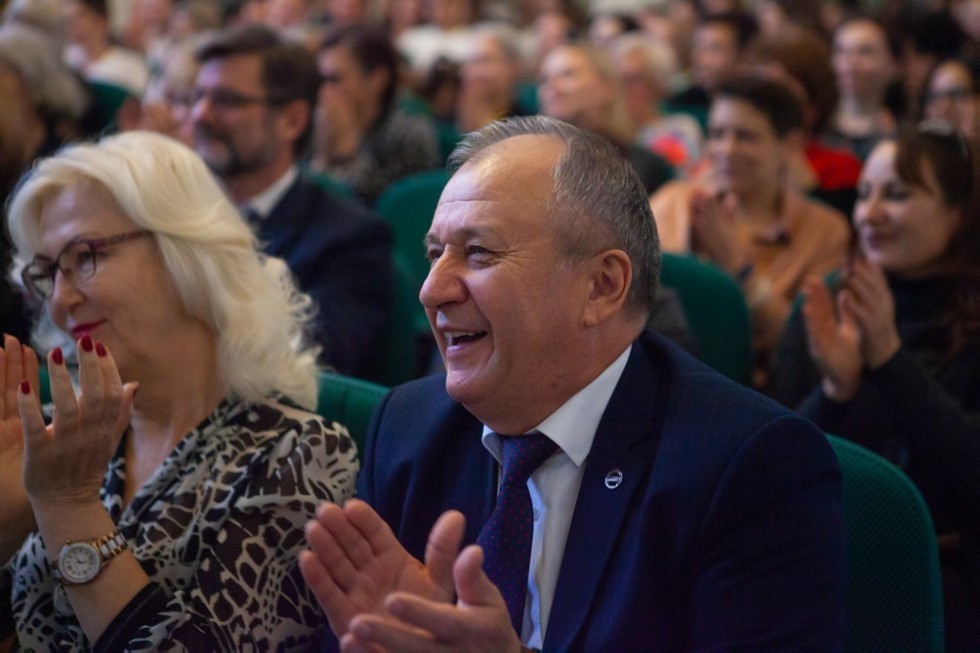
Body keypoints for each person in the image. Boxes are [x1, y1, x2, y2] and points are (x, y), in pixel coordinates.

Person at [299, 115, 846, 650]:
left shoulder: (748, 468)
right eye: (435, 254)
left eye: (479, 252)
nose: (431, 290)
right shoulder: (406, 429)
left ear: (602, 286)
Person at [0, 130, 358, 648]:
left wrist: (69, 510)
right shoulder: (62, 437)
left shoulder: (298, 455)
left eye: (84, 257)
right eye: (48, 273)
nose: (60, 300)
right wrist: (5, 532)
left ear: (184, 251)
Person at [767, 124, 980, 648]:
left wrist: (888, 357)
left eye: (898, 195)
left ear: (958, 212)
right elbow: (767, 468)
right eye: (864, 194)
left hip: (948, 574)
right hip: (817, 560)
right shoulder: (826, 303)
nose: (870, 213)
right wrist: (834, 393)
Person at [190, 24, 393, 380]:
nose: (199, 115)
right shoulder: (175, 212)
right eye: (198, 96)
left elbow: (312, 363)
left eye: (226, 100)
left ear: (292, 120)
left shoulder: (350, 240)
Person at [650, 75, 850, 384]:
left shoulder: (824, 231)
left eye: (746, 137)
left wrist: (741, 270)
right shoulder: (673, 203)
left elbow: (805, 346)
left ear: (789, 145)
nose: (726, 149)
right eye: (717, 134)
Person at [310, 24, 440, 205]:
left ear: (378, 79)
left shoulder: (410, 135)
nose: (324, 91)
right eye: (321, 81)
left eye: (334, 79)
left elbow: (388, 210)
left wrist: (347, 152)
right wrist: (321, 158)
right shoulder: (317, 124)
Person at [537, 42, 674, 195]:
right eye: (544, 79)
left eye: (567, 74)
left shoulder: (644, 166)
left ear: (605, 87)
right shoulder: (530, 160)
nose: (551, 86)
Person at [824, 15, 901, 161]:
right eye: (841, 51)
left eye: (865, 51)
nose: (850, 63)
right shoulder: (813, 127)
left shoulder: (901, 137)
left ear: (893, 65)